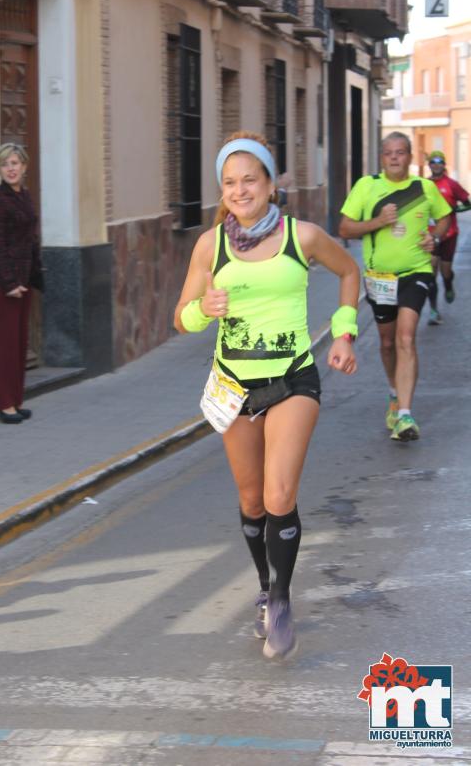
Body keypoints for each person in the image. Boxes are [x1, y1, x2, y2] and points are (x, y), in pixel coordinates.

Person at [174, 131, 360, 660]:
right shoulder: (211, 245)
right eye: (229, 182)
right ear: (221, 190)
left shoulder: (304, 236)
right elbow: (181, 318)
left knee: (280, 494)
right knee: (252, 499)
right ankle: (264, 584)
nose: (240, 190)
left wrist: (344, 331)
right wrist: (202, 310)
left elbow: (349, 272)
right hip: (235, 386)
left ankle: (280, 598)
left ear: (271, 184)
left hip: (294, 379)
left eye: (249, 179)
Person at [339, 132, 451, 442]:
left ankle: (405, 414)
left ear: (410, 157)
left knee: (406, 336)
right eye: (388, 152)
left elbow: (445, 216)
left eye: (400, 152)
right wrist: (377, 222)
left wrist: (436, 238)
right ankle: (394, 393)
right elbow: (345, 227)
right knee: (387, 343)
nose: (394, 158)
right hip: (380, 278)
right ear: (381, 157)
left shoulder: (424, 188)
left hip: (416, 271)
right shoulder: (367, 187)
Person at [0, 143, 44, 424]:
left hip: (22, 279)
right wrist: (9, 284)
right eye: (5, 165)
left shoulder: (23, 195)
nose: (11, 168)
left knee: (18, 342)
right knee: (3, 343)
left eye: (15, 163)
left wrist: (33, 276)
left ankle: (15, 400)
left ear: (24, 166)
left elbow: (29, 240)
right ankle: (2, 406)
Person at [425, 150, 470, 325]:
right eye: (433, 162)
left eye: (440, 161)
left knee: (445, 272)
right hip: (431, 235)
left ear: (444, 165)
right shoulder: (424, 184)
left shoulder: (452, 184)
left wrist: (453, 211)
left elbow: (468, 204)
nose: (436, 164)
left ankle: (449, 285)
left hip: (450, 235)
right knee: (431, 272)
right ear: (429, 165)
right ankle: (434, 311)